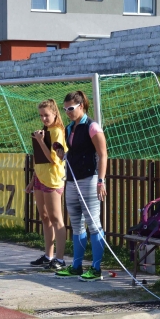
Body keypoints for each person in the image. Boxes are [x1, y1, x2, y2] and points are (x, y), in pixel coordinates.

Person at [55, 91, 108, 281]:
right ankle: (76, 265)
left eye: (71, 108)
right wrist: (62, 153)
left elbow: (102, 155)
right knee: (76, 224)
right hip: (72, 180)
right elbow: (72, 155)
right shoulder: (70, 128)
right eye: (65, 109)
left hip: (89, 180)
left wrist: (101, 181)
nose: (68, 112)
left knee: (94, 224)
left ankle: (96, 268)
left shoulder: (92, 127)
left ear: (81, 106)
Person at [26, 99, 68, 270]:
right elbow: (39, 159)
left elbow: (52, 158)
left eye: (46, 115)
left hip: (52, 179)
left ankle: (60, 258)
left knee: (56, 218)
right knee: (44, 218)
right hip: (40, 178)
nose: (43, 119)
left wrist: (41, 141)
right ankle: (48, 255)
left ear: (55, 114)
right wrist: (32, 180)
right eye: (41, 116)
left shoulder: (57, 131)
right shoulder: (43, 131)